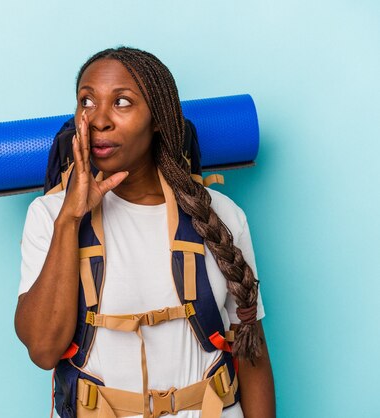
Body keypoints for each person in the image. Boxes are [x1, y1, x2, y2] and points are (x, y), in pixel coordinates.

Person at [14, 47, 275, 418]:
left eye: (122, 102)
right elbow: (42, 350)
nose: (99, 119)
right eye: (86, 101)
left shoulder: (220, 214)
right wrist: (69, 220)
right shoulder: (50, 216)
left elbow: (252, 352)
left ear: (157, 118)